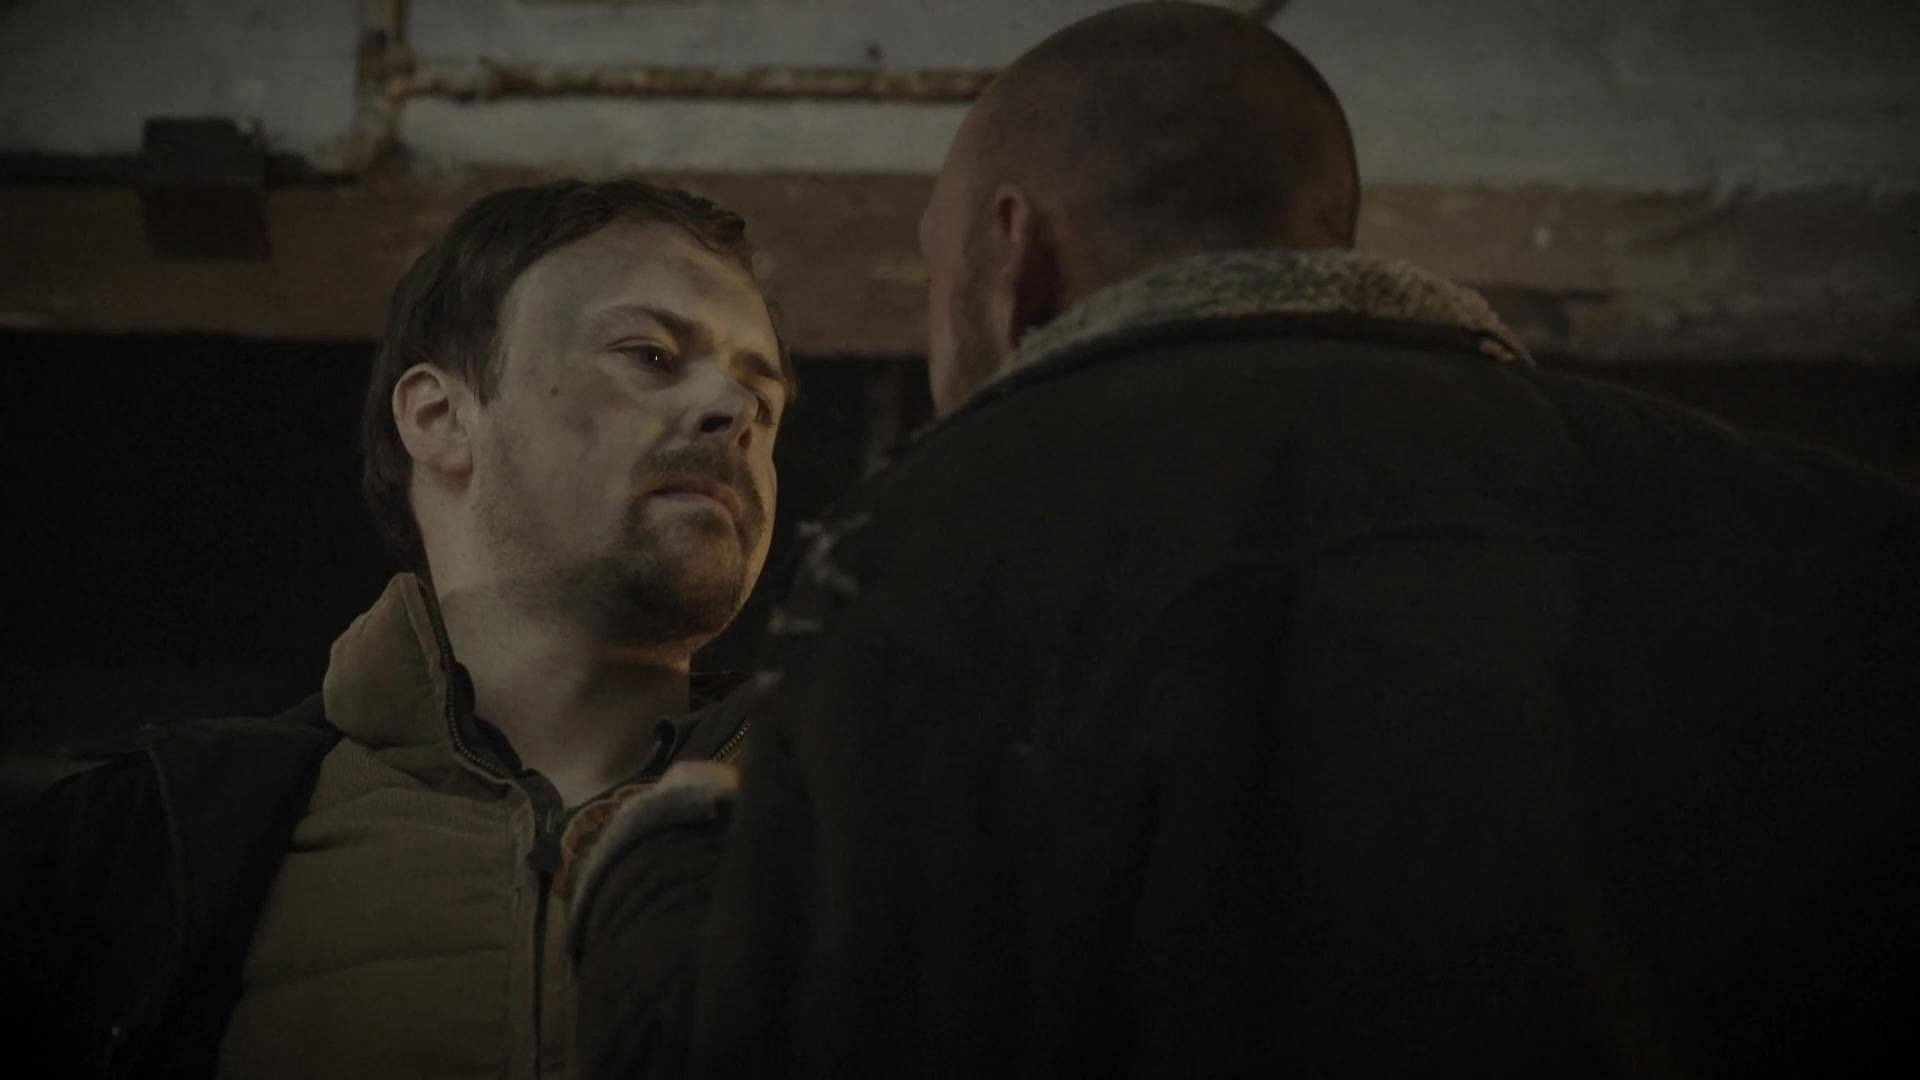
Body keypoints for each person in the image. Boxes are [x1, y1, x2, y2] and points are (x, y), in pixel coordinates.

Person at [572, 4, 1920, 1076]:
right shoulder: (1829, 538)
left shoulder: (942, 547)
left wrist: (662, 860)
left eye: (937, 270)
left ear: (1013, 262)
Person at [6, 178, 794, 1078]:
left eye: (764, 401)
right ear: (439, 417)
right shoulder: (131, 848)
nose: (735, 410)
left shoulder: (870, 837)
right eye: (650, 354)